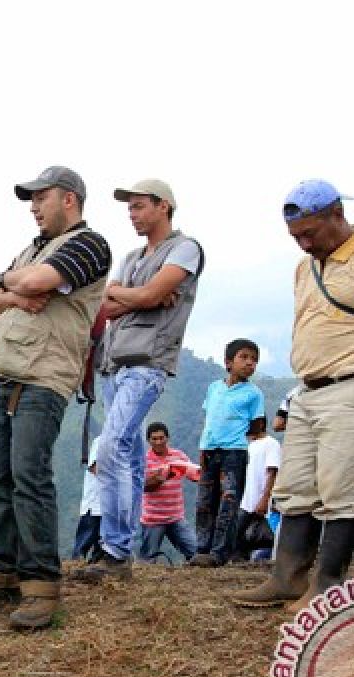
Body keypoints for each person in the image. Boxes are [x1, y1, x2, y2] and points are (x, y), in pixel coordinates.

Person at [232, 180, 354, 611]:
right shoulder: (306, 268)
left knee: (340, 490)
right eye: (296, 236)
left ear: (337, 213)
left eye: (310, 233)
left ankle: (327, 585)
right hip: (308, 390)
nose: (303, 244)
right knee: (296, 488)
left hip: (353, 386)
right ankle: (286, 577)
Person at [0, 165, 111, 631]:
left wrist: (12, 286)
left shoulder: (89, 244)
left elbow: (39, 282)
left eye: (41, 198)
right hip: (2, 373)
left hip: (43, 378)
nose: (34, 207)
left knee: (30, 477)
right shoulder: (30, 248)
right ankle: (0, 571)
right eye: (31, 200)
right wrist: (11, 289)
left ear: (69, 199)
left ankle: (40, 584)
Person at [77, 179, 203, 582]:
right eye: (129, 208)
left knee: (112, 447)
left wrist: (137, 295)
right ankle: (120, 552)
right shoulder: (132, 256)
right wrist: (142, 294)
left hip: (147, 363)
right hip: (114, 365)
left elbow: (142, 296)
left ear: (163, 206)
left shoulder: (186, 248)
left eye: (139, 207)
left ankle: (114, 550)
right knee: (128, 457)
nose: (132, 214)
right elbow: (108, 302)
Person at [189, 339, 265, 567]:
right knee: (204, 502)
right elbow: (209, 419)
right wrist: (203, 447)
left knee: (228, 502)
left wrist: (235, 435)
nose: (250, 363)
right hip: (210, 451)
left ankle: (219, 552)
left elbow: (257, 425)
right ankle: (202, 548)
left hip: (235, 452)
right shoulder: (214, 388)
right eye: (244, 357)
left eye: (254, 359)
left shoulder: (254, 394)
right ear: (228, 362)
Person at [136, 422, 200, 564]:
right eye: (154, 439)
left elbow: (194, 474)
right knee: (147, 561)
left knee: (196, 553)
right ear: (149, 441)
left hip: (176, 517)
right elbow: (141, 487)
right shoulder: (144, 460)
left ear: (167, 438)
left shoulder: (179, 456)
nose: (158, 442)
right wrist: (159, 479)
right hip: (152, 519)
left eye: (161, 438)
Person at [231, 427, 282, 562]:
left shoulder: (271, 443)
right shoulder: (250, 445)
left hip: (260, 502)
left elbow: (273, 471)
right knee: (239, 538)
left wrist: (265, 499)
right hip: (246, 502)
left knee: (262, 537)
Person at [73, 435, 103, 561]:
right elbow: (94, 467)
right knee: (86, 538)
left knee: (102, 545)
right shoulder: (101, 441)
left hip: (108, 506)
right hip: (95, 502)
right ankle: (76, 564)